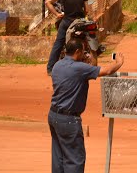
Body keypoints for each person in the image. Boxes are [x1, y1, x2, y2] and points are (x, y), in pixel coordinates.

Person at [49, 39, 125, 172]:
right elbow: (106, 71)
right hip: (69, 120)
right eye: (83, 52)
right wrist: (119, 62)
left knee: (58, 157)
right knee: (75, 159)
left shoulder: (57, 65)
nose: (85, 54)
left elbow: (84, 72)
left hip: (54, 116)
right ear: (77, 51)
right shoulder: (79, 68)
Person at [46, 0, 89, 76]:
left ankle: (50, 68)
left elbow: (48, 2)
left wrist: (57, 14)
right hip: (80, 22)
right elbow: (85, 10)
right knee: (86, 39)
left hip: (67, 22)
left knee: (58, 43)